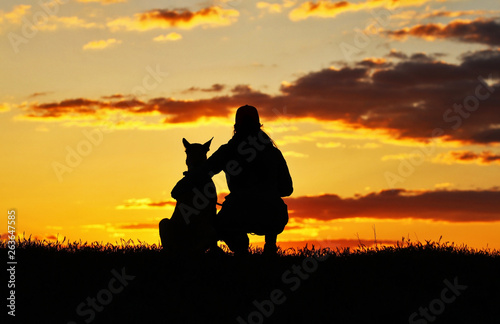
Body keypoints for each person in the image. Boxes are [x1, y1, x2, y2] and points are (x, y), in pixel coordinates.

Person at [173, 105, 293, 255]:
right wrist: (267, 191)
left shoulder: (228, 151)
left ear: (236, 126)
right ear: (259, 126)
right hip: (273, 215)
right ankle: (270, 246)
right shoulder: (273, 153)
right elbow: (287, 189)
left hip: (239, 212)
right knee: (272, 205)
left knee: (218, 224)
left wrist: (181, 186)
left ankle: (241, 250)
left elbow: (204, 171)